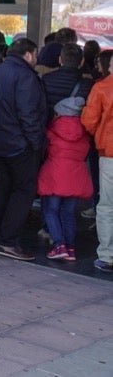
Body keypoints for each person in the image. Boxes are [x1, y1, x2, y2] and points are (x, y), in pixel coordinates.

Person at [0, 37, 46, 261]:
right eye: (35, 55)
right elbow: (28, 114)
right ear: (28, 55)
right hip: (19, 145)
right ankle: (8, 241)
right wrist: (35, 143)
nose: (36, 59)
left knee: (2, 189)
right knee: (23, 192)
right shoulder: (26, 76)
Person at [38, 96, 92, 262]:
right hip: (76, 176)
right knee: (68, 213)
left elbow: (44, 149)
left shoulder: (52, 130)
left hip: (55, 175)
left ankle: (59, 245)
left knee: (51, 210)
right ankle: (70, 247)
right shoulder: (85, 133)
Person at [83, 59, 113, 273]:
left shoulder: (102, 87)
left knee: (107, 206)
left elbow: (89, 120)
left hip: (109, 153)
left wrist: (99, 135)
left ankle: (107, 255)